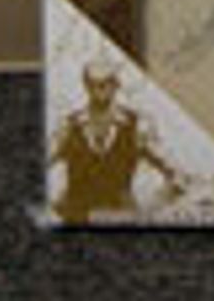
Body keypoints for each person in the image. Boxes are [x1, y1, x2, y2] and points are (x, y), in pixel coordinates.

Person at [49, 61, 182, 222]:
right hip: (77, 218)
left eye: (104, 84)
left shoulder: (137, 125)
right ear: (85, 86)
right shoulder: (69, 126)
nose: (97, 90)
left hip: (120, 218)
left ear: (115, 85)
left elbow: (176, 173)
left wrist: (152, 208)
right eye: (92, 84)